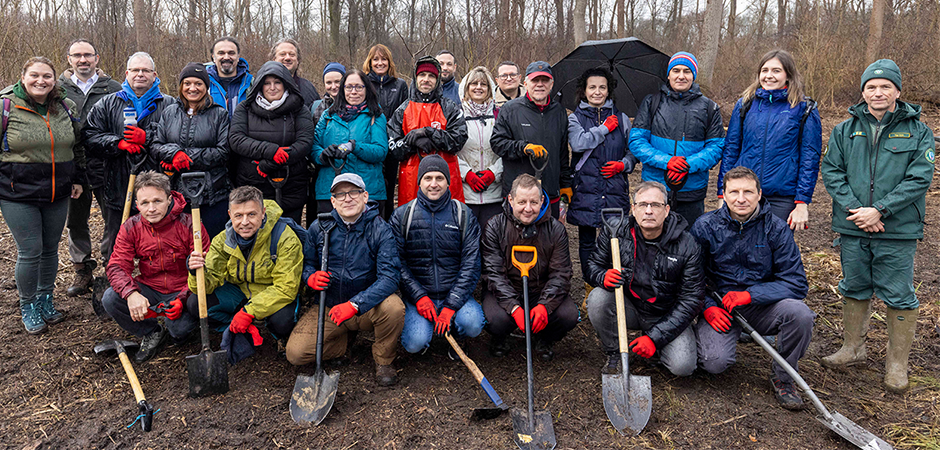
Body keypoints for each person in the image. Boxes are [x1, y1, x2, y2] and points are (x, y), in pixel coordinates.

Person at [820, 59, 934, 394]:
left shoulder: (918, 131)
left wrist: (880, 210)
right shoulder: (845, 130)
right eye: (871, 86)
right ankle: (853, 348)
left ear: (898, 91)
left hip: (896, 229)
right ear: (863, 91)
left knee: (899, 294)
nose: (878, 92)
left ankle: (896, 364)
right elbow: (832, 172)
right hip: (854, 225)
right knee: (854, 285)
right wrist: (859, 211)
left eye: (885, 86)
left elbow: (919, 178)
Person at [691, 167, 814, 410]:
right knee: (714, 363)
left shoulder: (776, 229)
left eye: (748, 191)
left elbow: (797, 282)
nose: (741, 198)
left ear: (759, 194)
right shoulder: (705, 226)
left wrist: (751, 295)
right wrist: (707, 308)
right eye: (734, 192)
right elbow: (692, 277)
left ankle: (784, 376)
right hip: (721, 309)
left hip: (762, 307)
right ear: (723, 195)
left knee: (800, 314)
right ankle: (718, 337)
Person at [286, 174, 405, 386]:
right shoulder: (319, 227)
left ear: (365, 196)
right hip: (330, 305)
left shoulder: (380, 229)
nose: (347, 198)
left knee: (394, 307)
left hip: (368, 306)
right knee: (296, 353)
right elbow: (307, 264)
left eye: (353, 192)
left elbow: (390, 277)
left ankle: (384, 359)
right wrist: (309, 277)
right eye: (340, 194)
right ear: (332, 201)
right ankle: (345, 344)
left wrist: (355, 304)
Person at [0, 57, 83, 334]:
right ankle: (28, 304)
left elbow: (77, 147)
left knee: (50, 248)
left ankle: (46, 298)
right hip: (17, 194)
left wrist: (78, 178)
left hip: (57, 192)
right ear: (23, 77)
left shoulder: (65, 107)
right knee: (30, 249)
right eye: (34, 75)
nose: (41, 81)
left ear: (54, 79)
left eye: (47, 76)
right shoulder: (6, 106)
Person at [584, 182, 702, 376]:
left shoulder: (687, 244)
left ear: (666, 210)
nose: (648, 211)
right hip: (629, 307)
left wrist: (654, 338)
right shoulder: (615, 232)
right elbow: (591, 267)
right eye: (642, 205)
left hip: (665, 313)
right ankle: (615, 352)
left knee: (683, 367)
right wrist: (602, 276)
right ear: (633, 209)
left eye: (655, 205)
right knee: (597, 299)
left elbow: (692, 299)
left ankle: (657, 347)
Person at [102, 172, 208, 361]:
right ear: (137, 205)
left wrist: (183, 298)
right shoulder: (130, 227)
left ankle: (179, 330)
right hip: (151, 288)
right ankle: (152, 331)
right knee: (110, 298)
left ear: (169, 199)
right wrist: (131, 293)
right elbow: (116, 265)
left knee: (179, 330)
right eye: (145, 203)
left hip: (183, 288)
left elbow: (205, 269)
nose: (151, 209)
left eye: (157, 201)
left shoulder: (191, 224)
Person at [84, 51, 174, 267]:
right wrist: (117, 143)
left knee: (158, 237)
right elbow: (89, 135)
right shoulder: (108, 104)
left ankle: (156, 280)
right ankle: (116, 279)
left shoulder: (170, 104)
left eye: (145, 70)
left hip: (157, 183)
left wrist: (148, 138)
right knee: (117, 238)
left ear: (155, 74)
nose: (140, 74)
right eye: (135, 70)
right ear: (127, 73)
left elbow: (176, 138)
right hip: (118, 182)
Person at [719, 49, 822, 232]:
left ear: (788, 75)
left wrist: (802, 203)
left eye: (776, 70)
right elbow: (731, 149)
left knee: (773, 253)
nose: (769, 76)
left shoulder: (804, 109)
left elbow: (809, 158)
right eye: (764, 70)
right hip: (744, 194)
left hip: (781, 197)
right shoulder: (745, 104)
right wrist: (722, 193)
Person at [390, 155, 484, 354]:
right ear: (419, 182)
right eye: (428, 178)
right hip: (420, 297)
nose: (434, 184)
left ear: (448, 182)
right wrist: (419, 297)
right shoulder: (402, 216)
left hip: (455, 294)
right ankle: (427, 333)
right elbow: (397, 263)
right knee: (414, 343)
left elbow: (471, 264)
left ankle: (457, 335)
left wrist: (452, 304)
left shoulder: (463, 214)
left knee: (473, 323)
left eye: (440, 178)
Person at [187, 186, 303, 346]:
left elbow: (286, 288)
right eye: (238, 215)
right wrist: (195, 272)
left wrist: (249, 311)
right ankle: (240, 328)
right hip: (240, 293)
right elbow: (207, 285)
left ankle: (277, 337)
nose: (245, 222)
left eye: (252, 214)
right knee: (195, 302)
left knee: (282, 322)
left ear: (263, 213)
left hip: (272, 293)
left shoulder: (284, 238)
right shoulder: (222, 241)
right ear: (230, 215)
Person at [482, 174, 578, 361]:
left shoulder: (556, 230)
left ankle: (544, 337)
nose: (528, 208)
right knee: (495, 319)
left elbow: (561, 273)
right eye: (522, 202)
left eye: (534, 202)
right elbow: (493, 275)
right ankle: (500, 337)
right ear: (510, 200)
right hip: (507, 290)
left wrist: (544, 305)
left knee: (569, 315)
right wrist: (514, 308)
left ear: (542, 201)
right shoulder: (495, 226)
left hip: (540, 290)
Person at [629, 51, 724, 226]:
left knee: (689, 244)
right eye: (676, 70)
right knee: (651, 243)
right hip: (654, 189)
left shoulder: (709, 108)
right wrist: (667, 161)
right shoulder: (652, 102)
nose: (681, 76)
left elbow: (716, 147)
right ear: (669, 74)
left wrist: (688, 164)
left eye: (687, 71)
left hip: (692, 190)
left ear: (693, 76)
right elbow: (637, 141)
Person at [60, 39, 123, 297]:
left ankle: (113, 267)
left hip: (106, 163)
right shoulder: (58, 89)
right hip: (71, 165)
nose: (83, 60)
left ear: (97, 58)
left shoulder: (113, 87)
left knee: (113, 218)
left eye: (88, 55)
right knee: (75, 219)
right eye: (77, 55)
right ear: (69, 59)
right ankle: (82, 267)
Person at [567, 67, 638, 281]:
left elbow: (632, 152)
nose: (597, 92)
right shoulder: (575, 118)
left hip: (615, 188)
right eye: (592, 87)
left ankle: (613, 283)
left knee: (614, 239)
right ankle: (590, 284)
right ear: (584, 90)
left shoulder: (622, 118)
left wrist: (623, 165)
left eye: (602, 87)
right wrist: (604, 129)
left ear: (608, 91)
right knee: (587, 241)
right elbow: (578, 143)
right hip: (585, 189)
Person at [152, 62, 232, 237]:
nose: (192, 88)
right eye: (187, 83)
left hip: (213, 192)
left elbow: (223, 151)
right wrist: (174, 154)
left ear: (206, 87)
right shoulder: (169, 112)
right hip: (177, 191)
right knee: (181, 241)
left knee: (214, 241)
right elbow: (156, 146)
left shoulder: (219, 115)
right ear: (181, 86)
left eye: (198, 84)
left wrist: (186, 156)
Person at [229, 60, 314, 223]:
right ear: (259, 85)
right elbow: (237, 140)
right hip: (253, 184)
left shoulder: (299, 109)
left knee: (289, 237)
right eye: (267, 83)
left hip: (290, 184)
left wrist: (272, 163)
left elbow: (304, 142)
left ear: (286, 85)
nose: (272, 87)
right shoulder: (245, 108)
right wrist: (271, 151)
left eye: (277, 82)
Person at [491, 61, 572, 219]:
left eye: (545, 80)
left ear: (551, 84)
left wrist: (565, 184)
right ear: (526, 83)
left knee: (549, 239)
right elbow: (497, 143)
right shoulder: (510, 109)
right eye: (535, 80)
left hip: (550, 191)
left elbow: (562, 152)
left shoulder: (559, 112)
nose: (540, 85)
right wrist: (523, 148)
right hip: (519, 194)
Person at [387, 56, 467, 206]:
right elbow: (393, 148)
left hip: (445, 177)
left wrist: (430, 133)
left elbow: (459, 139)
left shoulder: (450, 108)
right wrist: (412, 142)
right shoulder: (402, 110)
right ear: (416, 78)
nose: (426, 79)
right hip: (412, 180)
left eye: (431, 76)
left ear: (437, 80)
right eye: (422, 75)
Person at [311, 69, 389, 215]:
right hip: (329, 190)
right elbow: (314, 147)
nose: (354, 91)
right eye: (349, 87)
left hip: (367, 190)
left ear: (367, 89)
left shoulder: (376, 116)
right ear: (343, 89)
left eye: (359, 87)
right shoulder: (327, 116)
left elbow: (381, 151)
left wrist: (355, 147)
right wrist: (323, 155)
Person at [363, 44, 409, 220]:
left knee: (389, 188)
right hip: (370, 142)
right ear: (370, 62)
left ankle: (388, 224)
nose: (380, 63)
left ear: (389, 62)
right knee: (369, 187)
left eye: (383, 59)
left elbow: (405, 113)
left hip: (392, 143)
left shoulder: (400, 85)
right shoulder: (364, 83)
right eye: (376, 59)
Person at [457, 66, 503, 228]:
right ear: (466, 88)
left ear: (490, 89)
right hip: (465, 194)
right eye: (474, 84)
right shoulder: (457, 116)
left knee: (491, 241)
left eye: (483, 84)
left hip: (494, 194)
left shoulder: (500, 115)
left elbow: (507, 150)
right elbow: (450, 152)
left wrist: (493, 173)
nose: (478, 87)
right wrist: (467, 174)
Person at [306, 62, 346, 228]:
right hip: (322, 167)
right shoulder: (317, 107)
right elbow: (312, 138)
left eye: (338, 81)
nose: (333, 86)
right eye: (329, 82)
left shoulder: (354, 105)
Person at [206, 36, 253, 117]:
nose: (226, 57)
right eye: (221, 53)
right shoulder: (203, 83)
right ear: (213, 57)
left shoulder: (251, 83)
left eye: (231, 53)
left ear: (238, 57)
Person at [270, 38, 320, 108]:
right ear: (274, 59)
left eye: (292, 54)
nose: (287, 58)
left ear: (298, 60)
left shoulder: (309, 89)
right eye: (282, 54)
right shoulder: (264, 88)